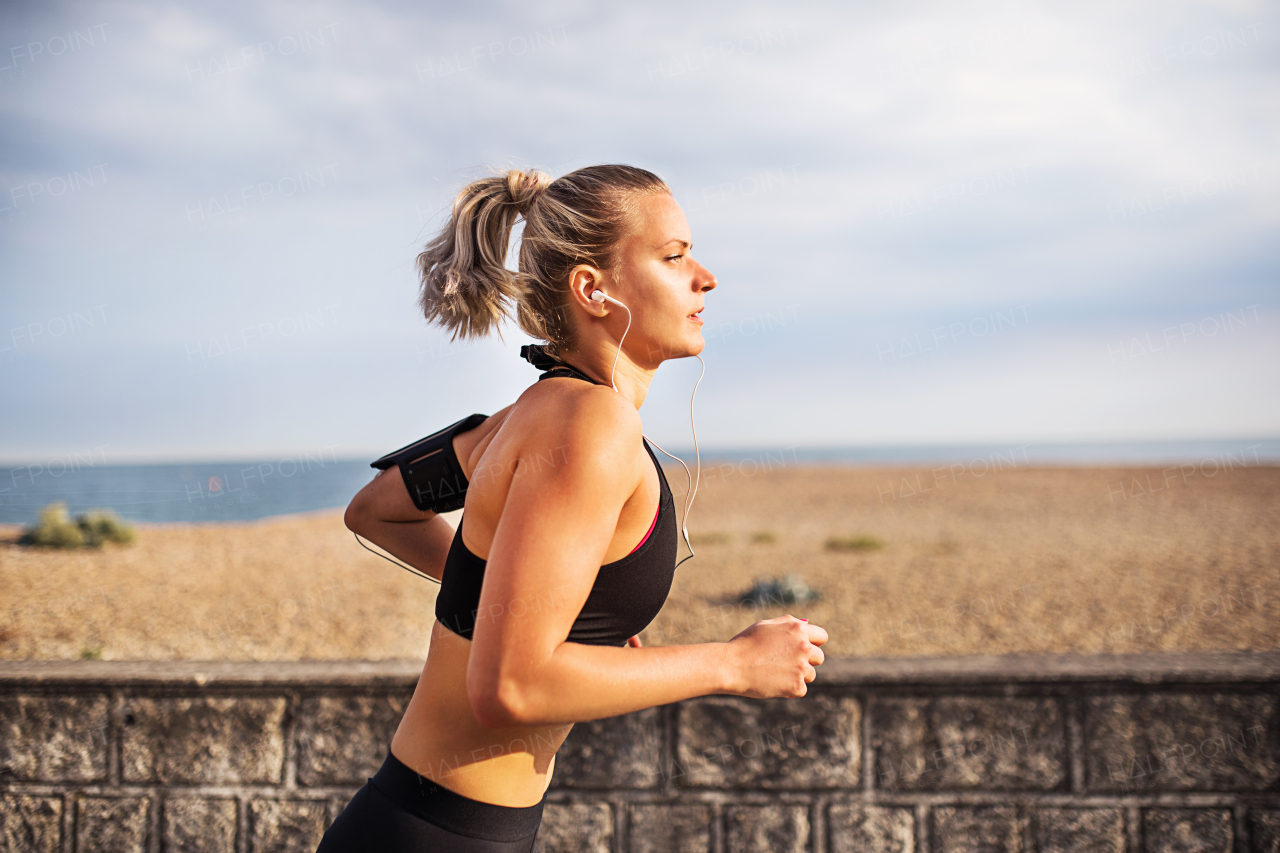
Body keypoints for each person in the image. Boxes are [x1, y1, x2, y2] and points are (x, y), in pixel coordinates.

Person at [317, 164, 828, 852]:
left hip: (424, 821)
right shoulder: (589, 425)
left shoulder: (525, 416)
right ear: (592, 288)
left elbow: (377, 508)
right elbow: (511, 685)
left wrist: (523, 602)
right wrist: (733, 664)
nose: (705, 276)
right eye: (674, 256)